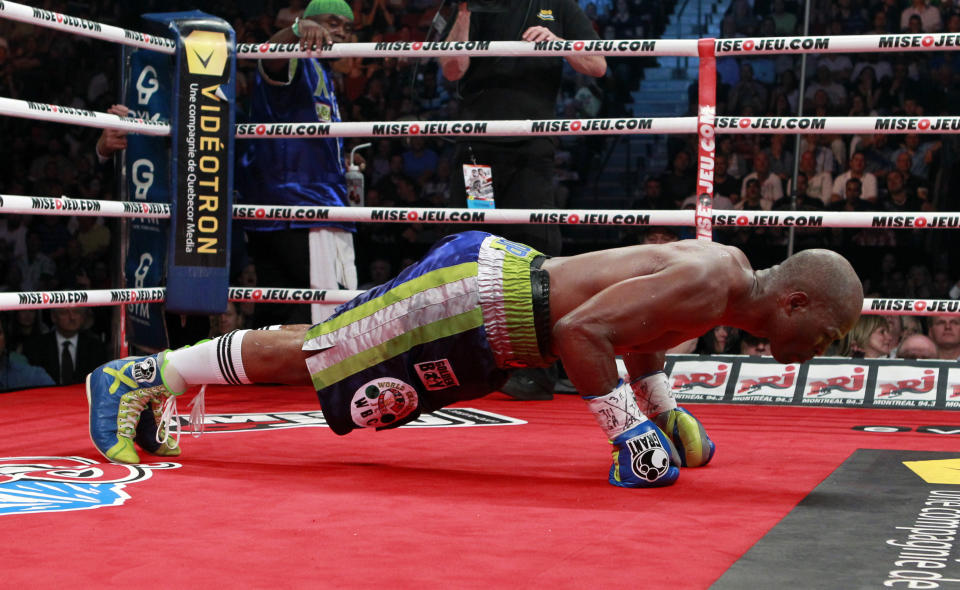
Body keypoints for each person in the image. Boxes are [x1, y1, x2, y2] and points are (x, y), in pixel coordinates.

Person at [87, 231, 863, 489]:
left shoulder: (721, 280)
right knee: (318, 356)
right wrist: (628, 434)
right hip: (483, 303)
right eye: (825, 337)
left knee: (329, 365)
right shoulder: (711, 280)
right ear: (793, 304)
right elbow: (585, 335)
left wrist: (666, 413)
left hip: (493, 317)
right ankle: (142, 375)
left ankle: (161, 383)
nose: (816, 354)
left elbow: (636, 334)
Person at [439, 1, 605, 400]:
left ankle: (539, 370)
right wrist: (462, 13)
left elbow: (596, 65)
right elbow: (452, 69)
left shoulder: (558, 6)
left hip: (531, 147)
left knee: (535, 250)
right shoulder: (468, 7)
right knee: (476, 247)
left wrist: (558, 42)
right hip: (478, 152)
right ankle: (476, 362)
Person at [236, 0, 359, 327]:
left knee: (283, 308)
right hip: (299, 206)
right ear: (308, 23)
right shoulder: (296, 58)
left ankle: (266, 376)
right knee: (313, 312)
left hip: (305, 204)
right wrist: (293, 31)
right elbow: (269, 57)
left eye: (348, 28)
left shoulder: (324, 71)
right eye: (332, 23)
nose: (342, 33)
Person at [24, 308, 106, 385]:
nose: (72, 317)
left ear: (83, 316)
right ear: (53, 317)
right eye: (64, 313)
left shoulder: (95, 346)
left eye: (77, 312)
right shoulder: (37, 346)